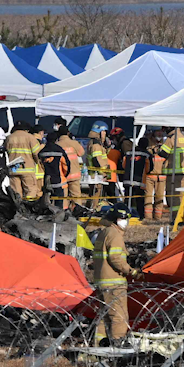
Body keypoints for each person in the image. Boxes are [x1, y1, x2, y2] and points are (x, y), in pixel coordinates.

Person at [89, 204, 136, 345]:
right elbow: (115, 259)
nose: (125, 221)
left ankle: (98, 346)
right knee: (119, 317)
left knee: (104, 317)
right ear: (115, 219)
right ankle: (117, 347)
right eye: (123, 218)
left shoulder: (103, 233)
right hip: (114, 283)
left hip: (102, 282)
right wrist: (131, 271)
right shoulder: (114, 235)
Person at [4, 122, 42, 202]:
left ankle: (18, 209)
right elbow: (37, 154)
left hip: (13, 170)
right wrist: (37, 162)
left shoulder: (9, 138)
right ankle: (29, 209)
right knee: (30, 191)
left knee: (16, 193)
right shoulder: (30, 138)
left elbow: (5, 153)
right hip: (27, 169)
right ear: (26, 130)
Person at [56, 127, 87, 211]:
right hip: (74, 174)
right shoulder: (74, 143)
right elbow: (82, 153)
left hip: (63, 175)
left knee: (64, 197)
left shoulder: (57, 144)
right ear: (68, 133)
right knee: (76, 195)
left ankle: (64, 212)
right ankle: (77, 212)